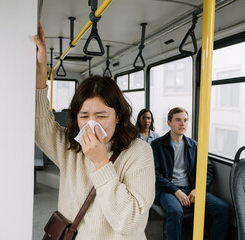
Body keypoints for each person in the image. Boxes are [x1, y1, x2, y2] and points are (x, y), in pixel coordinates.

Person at [33, 23, 155, 240]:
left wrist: (101, 163)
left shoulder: (139, 152)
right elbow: (41, 125)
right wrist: (41, 69)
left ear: (118, 116)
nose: (91, 125)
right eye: (83, 116)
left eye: (101, 116)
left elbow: (129, 222)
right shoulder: (71, 147)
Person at [151, 107, 230, 240]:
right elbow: (155, 174)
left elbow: (208, 170)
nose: (183, 124)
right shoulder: (157, 145)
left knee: (223, 210)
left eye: (185, 120)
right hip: (168, 190)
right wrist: (176, 191)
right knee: (176, 212)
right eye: (178, 120)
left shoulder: (194, 145)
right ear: (169, 123)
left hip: (191, 189)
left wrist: (198, 189)